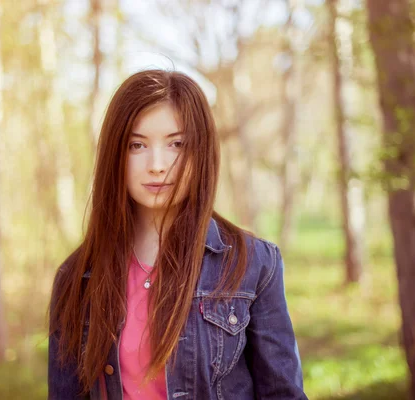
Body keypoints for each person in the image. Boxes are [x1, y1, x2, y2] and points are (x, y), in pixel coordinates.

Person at [48, 69, 308, 400]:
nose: (157, 164)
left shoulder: (253, 264)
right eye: (137, 144)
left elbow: (283, 394)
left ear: (200, 152)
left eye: (177, 144)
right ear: (116, 155)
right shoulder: (77, 277)